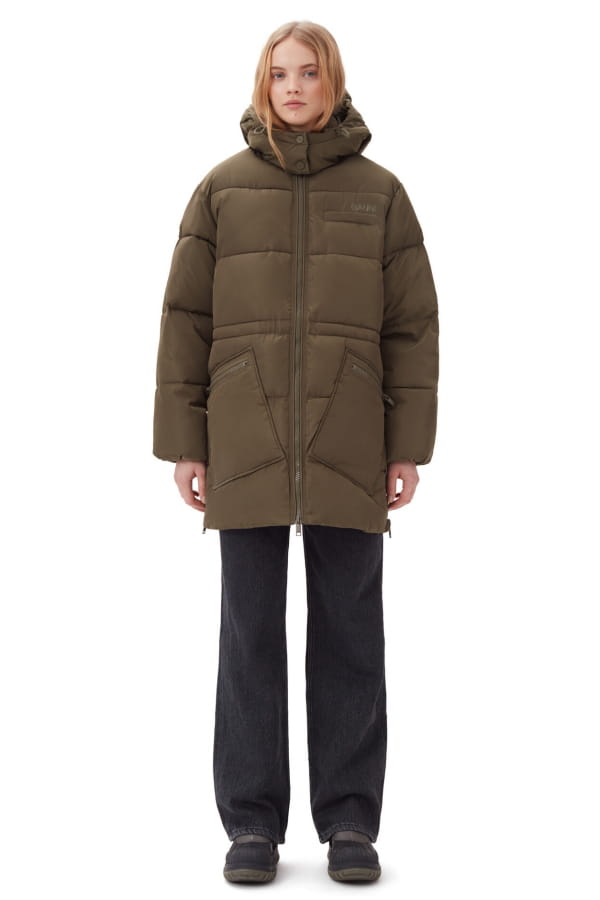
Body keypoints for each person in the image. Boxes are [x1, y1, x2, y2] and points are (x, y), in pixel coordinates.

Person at [152, 20, 439, 884]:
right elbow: (185, 320)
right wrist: (186, 443)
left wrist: (406, 447)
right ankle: (250, 825)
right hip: (245, 438)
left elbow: (411, 328)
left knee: (351, 630)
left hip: (350, 439)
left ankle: (350, 821)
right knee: (249, 634)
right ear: (262, 84)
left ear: (332, 81)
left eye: (308, 73)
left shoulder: (382, 195)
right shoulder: (220, 192)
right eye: (279, 74)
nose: (293, 87)